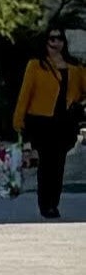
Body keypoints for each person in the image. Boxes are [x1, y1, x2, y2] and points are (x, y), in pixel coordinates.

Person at [22, 34, 85, 221]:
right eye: (51, 38)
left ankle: (53, 203)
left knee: (58, 165)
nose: (55, 42)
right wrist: (19, 120)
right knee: (46, 163)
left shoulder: (75, 67)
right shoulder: (36, 65)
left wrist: (77, 102)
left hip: (65, 122)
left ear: (64, 42)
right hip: (42, 121)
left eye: (59, 38)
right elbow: (26, 93)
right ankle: (45, 204)